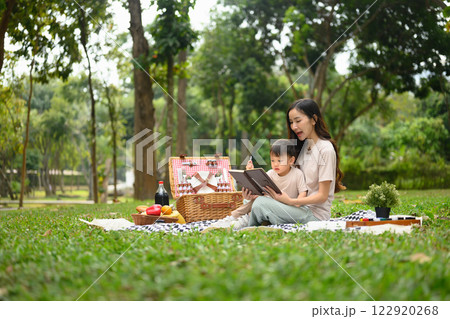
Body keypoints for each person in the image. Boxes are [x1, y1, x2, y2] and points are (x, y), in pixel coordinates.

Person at [246, 98, 346, 227]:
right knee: (251, 200)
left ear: (314, 119)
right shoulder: (302, 148)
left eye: (298, 121)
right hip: (295, 208)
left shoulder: (325, 149)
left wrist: (290, 201)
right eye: (291, 122)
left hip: (313, 215)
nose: (294, 127)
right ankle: (248, 221)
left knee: (260, 204)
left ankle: (247, 225)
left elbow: (322, 196)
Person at [206, 139, 308, 231]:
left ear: (291, 160)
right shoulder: (270, 173)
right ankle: (232, 219)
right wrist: (250, 176)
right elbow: (261, 191)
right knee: (251, 200)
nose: (275, 164)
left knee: (258, 201)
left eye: (279, 161)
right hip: (270, 206)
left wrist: (292, 202)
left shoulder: (297, 174)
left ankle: (240, 220)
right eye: (273, 160)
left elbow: (301, 197)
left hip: (287, 208)